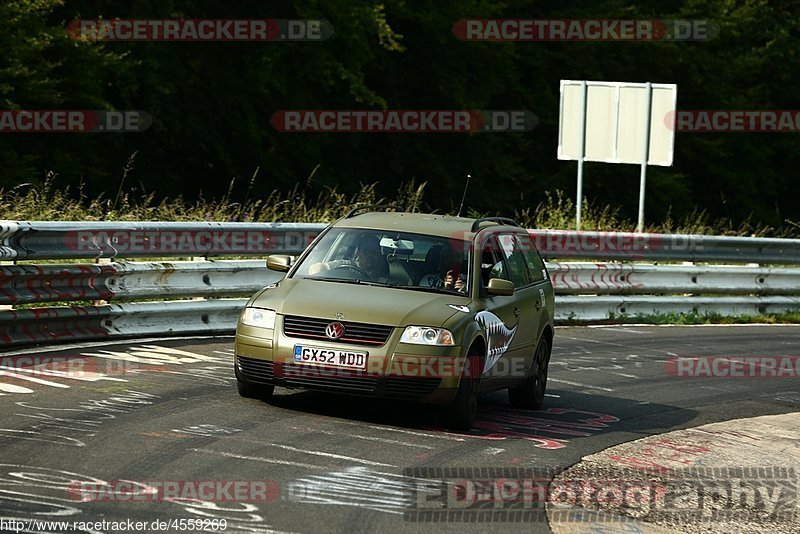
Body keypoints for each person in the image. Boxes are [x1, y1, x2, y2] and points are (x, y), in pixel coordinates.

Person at [309, 235, 389, 281]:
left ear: (379, 254)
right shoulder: (344, 265)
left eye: (374, 252)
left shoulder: (384, 281)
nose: (370, 256)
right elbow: (316, 268)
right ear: (358, 253)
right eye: (366, 252)